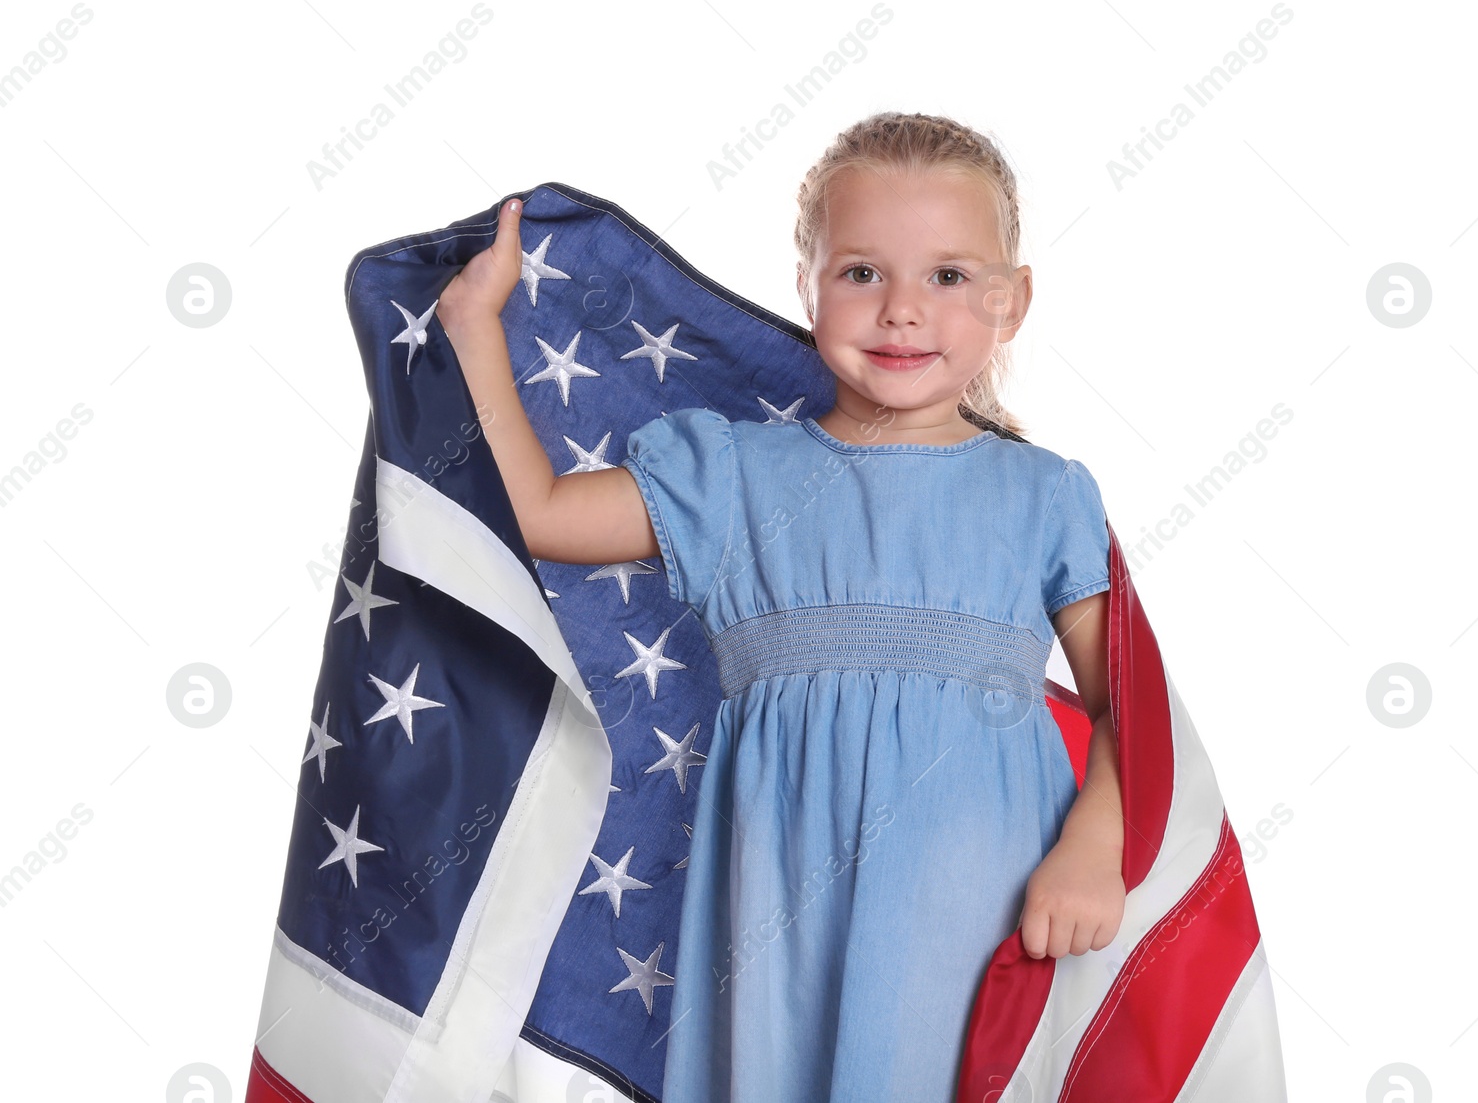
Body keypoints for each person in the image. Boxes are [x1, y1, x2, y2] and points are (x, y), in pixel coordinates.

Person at [437, 111, 1127, 1102]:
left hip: (985, 897)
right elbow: (539, 512)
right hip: (782, 897)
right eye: (860, 272)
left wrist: (1092, 849)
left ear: (1011, 302)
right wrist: (474, 336)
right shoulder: (733, 477)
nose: (901, 311)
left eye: (947, 276)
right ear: (806, 283)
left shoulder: (1043, 493)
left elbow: (1124, 716)